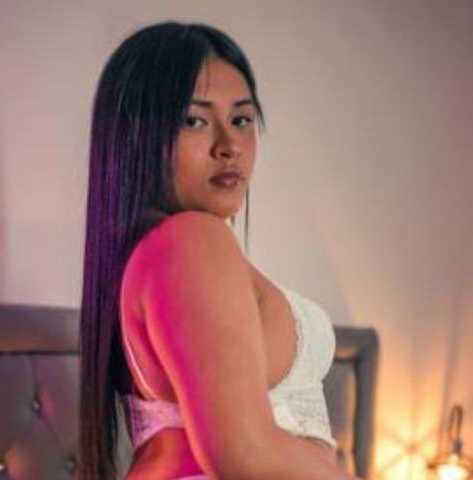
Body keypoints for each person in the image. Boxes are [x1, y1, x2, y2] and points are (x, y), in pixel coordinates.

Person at [79, 21, 361, 480]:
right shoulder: (192, 240)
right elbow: (244, 453)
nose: (229, 147)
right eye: (195, 120)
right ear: (138, 133)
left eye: (241, 120)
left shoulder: (158, 253)